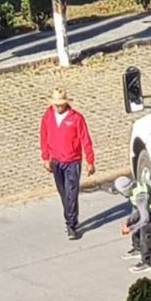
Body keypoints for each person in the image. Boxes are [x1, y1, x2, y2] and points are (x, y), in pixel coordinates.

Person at [39, 88, 95, 240]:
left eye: (61, 104)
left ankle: (71, 224)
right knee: (63, 192)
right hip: (56, 160)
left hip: (72, 161)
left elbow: (85, 139)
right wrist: (45, 157)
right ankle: (69, 215)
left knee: (71, 192)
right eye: (56, 105)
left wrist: (90, 160)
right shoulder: (48, 116)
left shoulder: (76, 118)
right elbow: (43, 136)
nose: (58, 107)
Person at [113, 175, 151, 275]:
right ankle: (138, 248)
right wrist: (128, 222)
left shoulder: (140, 196)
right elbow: (136, 211)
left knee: (145, 229)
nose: (121, 194)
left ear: (125, 191)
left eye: (121, 192)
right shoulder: (134, 188)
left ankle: (146, 263)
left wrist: (130, 229)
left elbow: (145, 219)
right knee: (136, 223)